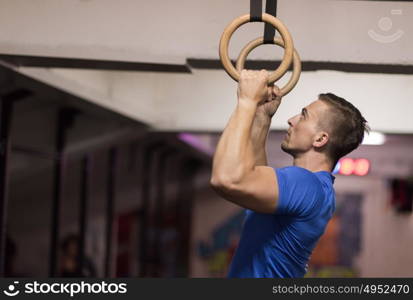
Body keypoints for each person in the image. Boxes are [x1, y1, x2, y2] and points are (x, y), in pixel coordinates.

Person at [210, 70, 369, 278]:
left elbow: (226, 179)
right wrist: (262, 117)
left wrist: (247, 101)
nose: (291, 120)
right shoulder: (315, 189)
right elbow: (256, 177)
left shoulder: (306, 185)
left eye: (303, 115)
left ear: (320, 139)